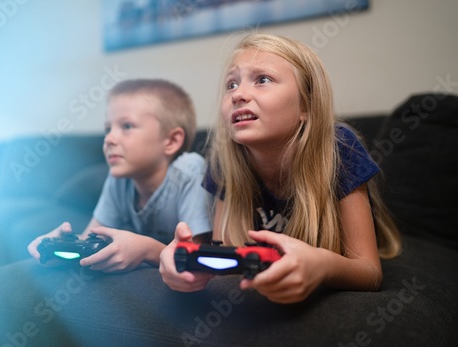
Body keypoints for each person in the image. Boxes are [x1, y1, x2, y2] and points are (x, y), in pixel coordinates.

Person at [159, 33, 401, 303]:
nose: (238, 94)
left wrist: (322, 265)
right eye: (231, 84)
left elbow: (369, 272)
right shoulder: (223, 159)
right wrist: (178, 259)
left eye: (262, 80)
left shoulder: (340, 148)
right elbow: (229, 258)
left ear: (306, 106)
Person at [28, 78, 212, 272]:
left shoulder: (190, 172)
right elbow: (91, 241)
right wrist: (59, 246)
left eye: (126, 126)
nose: (109, 138)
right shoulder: (118, 179)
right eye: (108, 129)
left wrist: (147, 250)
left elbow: (193, 258)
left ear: (171, 141)